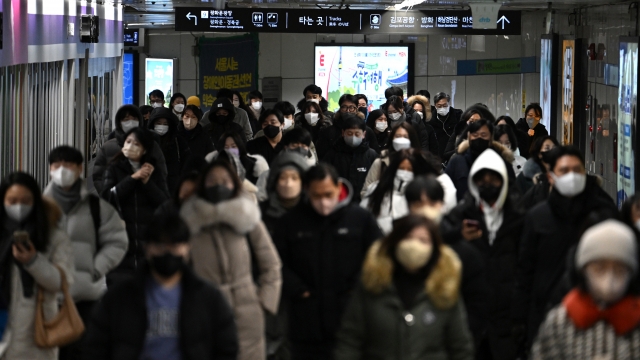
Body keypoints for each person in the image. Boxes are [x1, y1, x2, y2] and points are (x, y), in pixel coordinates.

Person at [83, 213, 239, 360]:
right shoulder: (119, 297)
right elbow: (96, 347)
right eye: (160, 245)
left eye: (175, 245)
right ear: (148, 248)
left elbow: (227, 346)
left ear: (187, 248)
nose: (167, 252)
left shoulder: (208, 298)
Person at [273, 164, 382, 360]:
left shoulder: (360, 219)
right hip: (305, 322)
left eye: (328, 194)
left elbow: (379, 257)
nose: (323, 202)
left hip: (350, 317)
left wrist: (359, 286)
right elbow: (275, 263)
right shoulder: (291, 223)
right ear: (307, 191)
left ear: (339, 188)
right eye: (317, 196)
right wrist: (297, 288)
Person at [513, 146, 619, 348]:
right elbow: (524, 270)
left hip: (595, 314)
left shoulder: (603, 212)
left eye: (577, 170)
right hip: (545, 311)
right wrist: (519, 319)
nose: (571, 176)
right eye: (564, 171)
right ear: (551, 177)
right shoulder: (537, 217)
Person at [179, 159, 282, 360]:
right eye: (212, 180)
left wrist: (263, 303)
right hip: (204, 311)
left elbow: (271, 263)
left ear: (234, 183)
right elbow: (178, 270)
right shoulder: (190, 221)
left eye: (225, 180)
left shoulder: (248, 216)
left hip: (247, 312)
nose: (219, 186)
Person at [334, 215, 474, 360]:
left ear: (434, 248)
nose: (414, 245)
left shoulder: (444, 288)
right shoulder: (373, 285)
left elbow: (460, 347)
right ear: (394, 242)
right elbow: (350, 340)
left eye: (423, 240)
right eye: (407, 238)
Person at [44, 146, 128, 360]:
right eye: (57, 166)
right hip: (48, 298)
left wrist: (96, 269)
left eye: (68, 166)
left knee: (84, 351)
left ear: (80, 168)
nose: (62, 171)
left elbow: (117, 242)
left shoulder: (96, 207)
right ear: (50, 169)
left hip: (85, 297)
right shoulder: (38, 208)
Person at [441, 149, 525, 360]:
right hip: (469, 315)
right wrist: (457, 237)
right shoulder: (459, 216)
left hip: (507, 317)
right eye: (482, 180)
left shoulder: (519, 217)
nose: (488, 185)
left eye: (494, 180)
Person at [532, 220, 640, 359]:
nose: (609, 280)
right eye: (599, 269)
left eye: (619, 270)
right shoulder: (561, 322)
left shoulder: (636, 322)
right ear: (583, 271)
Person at [0, 172, 73, 360]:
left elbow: (62, 282)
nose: (18, 207)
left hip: (35, 333)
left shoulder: (54, 237)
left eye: (25, 201)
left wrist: (33, 261)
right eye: (12, 200)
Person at [100, 127, 170, 284]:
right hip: (120, 242)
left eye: (136, 143)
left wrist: (147, 183)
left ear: (145, 149)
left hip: (148, 242)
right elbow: (107, 197)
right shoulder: (114, 168)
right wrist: (132, 179)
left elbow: (165, 203)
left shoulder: (154, 172)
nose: (130, 146)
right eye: (128, 142)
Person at [361, 149, 443, 235]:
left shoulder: (421, 193)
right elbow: (364, 215)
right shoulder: (376, 188)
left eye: (409, 169)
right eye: (401, 168)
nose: (404, 172)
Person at [92, 105, 167, 194]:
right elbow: (98, 176)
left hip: (144, 201)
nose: (131, 122)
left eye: (134, 119)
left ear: (140, 121)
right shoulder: (108, 147)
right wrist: (108, 196)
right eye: (126, 119)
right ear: (119, 122)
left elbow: (162, 173)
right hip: (116, 201)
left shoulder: (151, 145)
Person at [445, 119, 515, 201]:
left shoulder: (501, 162)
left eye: (483, 135)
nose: (479, 138)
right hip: (463, 210)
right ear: (469, 137)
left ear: (491, 138)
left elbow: (513, 192)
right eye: (475, 135)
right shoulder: (457, 161)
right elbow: (445, 189)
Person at [322, 114, 378, 202]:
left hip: (363, 201)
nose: (353, 137)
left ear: (364, 134)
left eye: (357, 134)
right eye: (349, 133)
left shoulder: (371, 155)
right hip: (338, 201)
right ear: (343, 133)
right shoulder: (333, 154)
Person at [315, 94, 380, 159]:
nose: (348, 111)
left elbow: (375, 155)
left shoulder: (367, 130)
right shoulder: (329, 131)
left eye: (351, 107)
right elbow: (321, 155)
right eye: (344, 107)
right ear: (340, 108)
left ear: (356, 109)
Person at [147, 107, 191, 193]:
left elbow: (187, 161)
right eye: (158, 123)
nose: (162, 126)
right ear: (153, 124)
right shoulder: (147, 140)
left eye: (165, 124)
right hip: (151, 185)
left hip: (173, 186)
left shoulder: (178, 141)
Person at [430, 92, 463, 159]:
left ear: (449, 104)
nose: (442, 108)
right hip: (437, 154)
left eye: (445, 105)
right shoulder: (430, 118)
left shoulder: (458, 115)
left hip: (453, 152)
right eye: (439, 106)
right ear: (435, 105)